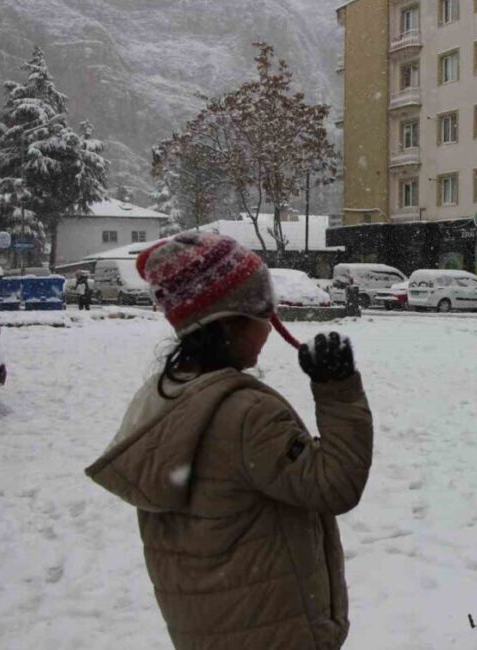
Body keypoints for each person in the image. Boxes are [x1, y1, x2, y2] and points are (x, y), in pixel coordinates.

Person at [85, 232, 374, 650]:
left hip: (211, 628)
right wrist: (339, 390)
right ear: (232, 320)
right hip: (274, 630)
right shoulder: (246, 415)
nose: (271, 325)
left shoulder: (165, 397)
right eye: (264, 312)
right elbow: (335, 483)